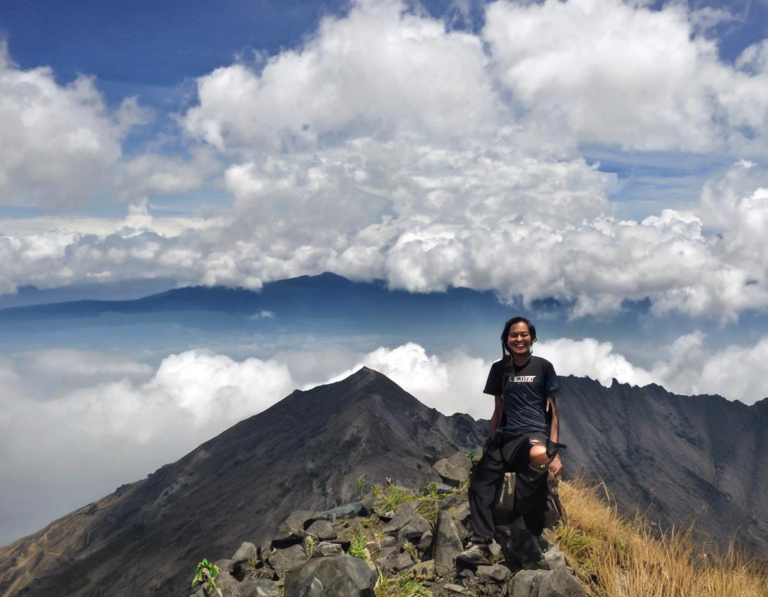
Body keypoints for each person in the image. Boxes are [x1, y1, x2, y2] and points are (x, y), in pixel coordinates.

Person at [457, 316, 562, 565]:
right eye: (513, 335)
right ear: (506, 340)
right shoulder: (499, 369)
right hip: (506, 437)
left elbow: (554, 412)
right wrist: (492, 441)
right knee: (480, 481)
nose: (519, 339)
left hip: (533, 434)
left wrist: (554, 451)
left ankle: (529, 534)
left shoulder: (544, 367)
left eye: (524, 334)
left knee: (537, 456)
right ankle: (481, 543)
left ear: (532, 338)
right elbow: (497, 410)